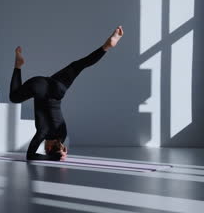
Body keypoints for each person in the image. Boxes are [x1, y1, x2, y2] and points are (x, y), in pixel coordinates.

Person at [9, 26, 124, 161]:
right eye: (45, 149)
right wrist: (52, 158)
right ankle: (18, 66)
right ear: (49, 148)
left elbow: (59, 146)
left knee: (80, 65)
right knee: (14, 97)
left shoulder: (62, 134)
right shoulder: (43, 132)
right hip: (39, 86)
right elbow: (30, 156)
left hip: (57, 88)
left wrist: (60, 153)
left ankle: (106, 46)